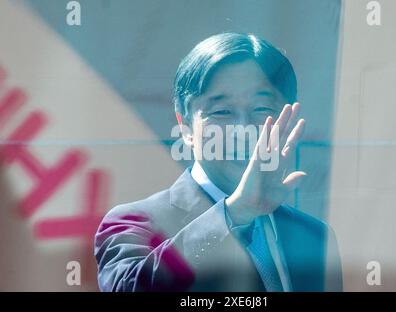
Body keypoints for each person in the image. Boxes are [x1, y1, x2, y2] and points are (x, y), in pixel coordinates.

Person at [94, 32, 343, 292]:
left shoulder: (315, 238)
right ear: (186, 126)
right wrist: (234, 213)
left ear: (289, 116)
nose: (243, 128)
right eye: (222, 112)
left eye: (262, 109)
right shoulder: (136, 221)